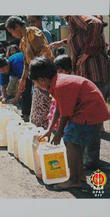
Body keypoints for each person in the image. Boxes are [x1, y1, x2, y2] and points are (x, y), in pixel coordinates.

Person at [29, 57, 109, 190]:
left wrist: (59, 133)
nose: (36, 85)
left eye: (35, 83)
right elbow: (59, 107)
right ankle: (79, 176)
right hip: (86, 109)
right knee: (72, 142)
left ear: (42, 79)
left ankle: (74, 179)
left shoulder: (61, 85)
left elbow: (65, 114)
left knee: (70, 141)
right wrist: (49, 129)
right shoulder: (56, 81)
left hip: (89, 110)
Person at [50, 15, 110, 169]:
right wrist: (63, 42)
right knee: (86, 118)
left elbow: (97, 24)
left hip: (93, 72)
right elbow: (82, 37)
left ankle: (90, 161)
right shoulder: (71, 21)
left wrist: (87, 54)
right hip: (87, 75)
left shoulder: (74, 14)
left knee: (91, 119)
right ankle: (85, 160)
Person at [5, 16, 54, 126]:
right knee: (37, 113)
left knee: (45, 111)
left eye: (11, 31)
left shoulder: (33, 32)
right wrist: (23, 79)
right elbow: (26, 63)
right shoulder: (23, 42)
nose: (12, 35)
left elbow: (45, 54)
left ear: (17, 26)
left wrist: (41, 77)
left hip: (45, 78)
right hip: (37, 80)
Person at [47, 55, 72, 135]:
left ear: (68, 70)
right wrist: (50, 112)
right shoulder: (57, 81)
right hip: (56, 111)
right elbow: (54, 100)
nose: (57, 74)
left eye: (60, 71)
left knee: (64, 133)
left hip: (64, 115)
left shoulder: (69, 82)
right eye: (56, 71)